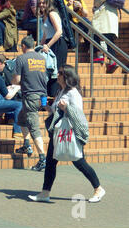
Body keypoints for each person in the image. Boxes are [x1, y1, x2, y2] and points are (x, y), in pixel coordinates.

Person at [28, 64, 106, 203]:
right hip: (58, 131)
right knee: (51, 162)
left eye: (60, 73)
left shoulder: (73, 93)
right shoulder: (60, 91)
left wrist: (66, 108)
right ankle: (45, 192)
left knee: (79, 162)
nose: (57, 75)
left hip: (69, 132)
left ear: (67, 76)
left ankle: (98, 188)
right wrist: (47, 107)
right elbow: (55, 111)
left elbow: (78, 113)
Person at [12, 36, 48, 171]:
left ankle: (42, 159)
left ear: (23, 46)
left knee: (34, 128)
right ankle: (27, 144)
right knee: (21, 118)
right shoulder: (42, 58)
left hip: (30, 97)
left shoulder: (21, 59)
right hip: (41, 96)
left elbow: (17, 79)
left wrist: (14, 82)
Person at [37, 0, 66, 97]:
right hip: (50, 43)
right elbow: (45, 33)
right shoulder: (44, 16)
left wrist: (48, 45)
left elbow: (59, 31)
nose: (41, 5)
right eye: (39, 3)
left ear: (48, 3)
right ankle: (51, 93)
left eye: (43, 3)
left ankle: (56, 93)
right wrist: (40, 45)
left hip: (58, 44)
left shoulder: (52, 14)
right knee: (49, 69)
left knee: (56, 70)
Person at [91, 0, 119, 73]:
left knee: (96, 34)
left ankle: (101, 56)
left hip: (104, 15)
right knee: (108, 39)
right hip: (109, 16)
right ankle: (110, 60)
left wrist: (95, 6)